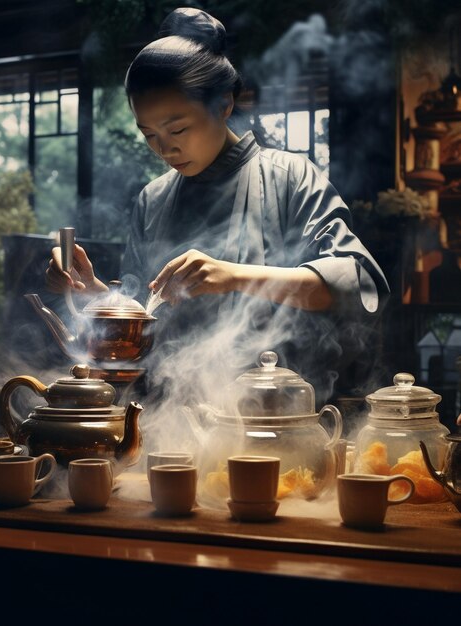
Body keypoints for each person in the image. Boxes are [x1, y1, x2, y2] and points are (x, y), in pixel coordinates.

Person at [46, 7, 390, 405]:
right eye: (149, 134)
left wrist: (235, 276)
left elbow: (356, 285)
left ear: (224, 104)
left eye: (177, 129)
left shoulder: (290, 177)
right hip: (169, 414)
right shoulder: (153, 199)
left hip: (275, 416)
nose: (164, 148)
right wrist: (93, 293)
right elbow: (145, 316)